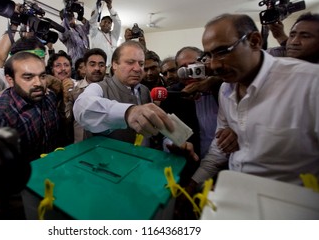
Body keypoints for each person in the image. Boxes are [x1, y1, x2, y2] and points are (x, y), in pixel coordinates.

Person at [187, 13, 319, 192]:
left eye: (223, 52)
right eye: (209, 55)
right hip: (237, 195)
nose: (214, 65)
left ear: (255, 41)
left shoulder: (310, 82)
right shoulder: (226, 89)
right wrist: (193, 184)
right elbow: (219, 149)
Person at [73, 41, 198, 161]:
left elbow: (153, 131)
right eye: (130, 62)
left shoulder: (145, 91)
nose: (138, 69)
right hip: (108, 167)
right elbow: (82, 107)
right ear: (115, 64)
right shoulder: (98, 87)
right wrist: (128, 112)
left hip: (143, 164)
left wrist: (170, 143)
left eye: (141, 63)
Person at [0, 51, 61, 162]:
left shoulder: (49, 97)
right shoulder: (0, 114)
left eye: (42, 76)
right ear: (10, 80)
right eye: (28, 78)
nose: (38, 83)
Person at [0, 36, 47, 113]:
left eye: (43, 59)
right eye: (36, 59)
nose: (42, 64)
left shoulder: (42, 78)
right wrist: (17, 90)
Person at [65, 48, 107, 143]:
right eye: (92, 64)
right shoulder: (74, 91)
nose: (97, 68)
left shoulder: (112, 89)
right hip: (82, 145)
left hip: (108, 144)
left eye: (101, 65)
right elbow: (66, 120)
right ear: (85, 67)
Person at [46, 50, 76, 146]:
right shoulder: (46, 90)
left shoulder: (78, 86)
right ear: (51, 69)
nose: (63, 69)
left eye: (66, 65)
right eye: (58, 65)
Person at [89, 0, 121, 67]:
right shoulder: (95, 33)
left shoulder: (114, 35)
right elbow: (92, 20)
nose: (106, 23)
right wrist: (98, 4)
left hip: (112, 67)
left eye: (109, 22)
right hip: (98, 66)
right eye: (105, 21)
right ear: (100, 23)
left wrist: (110, 7)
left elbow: (118, 23)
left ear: (111, 25)